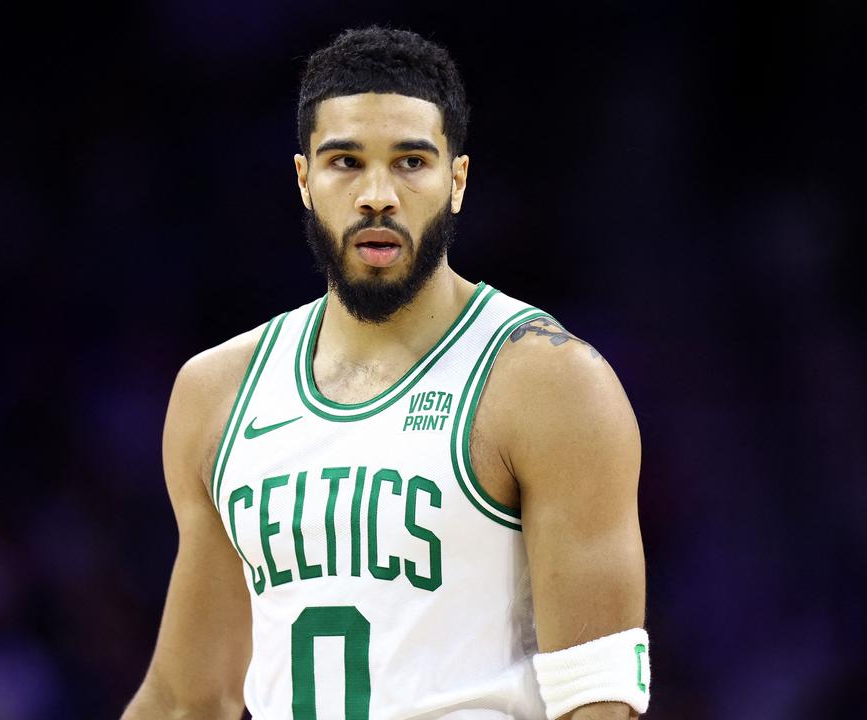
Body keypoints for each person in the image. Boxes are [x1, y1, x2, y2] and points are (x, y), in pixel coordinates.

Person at [122, 26, 648, 720]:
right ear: (304, 180)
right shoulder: (216, 393)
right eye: (345, 162)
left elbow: (599, 700)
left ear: (456, 181)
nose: (378, 195)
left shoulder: (548, 383)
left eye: (410, 162)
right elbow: (188, 700)